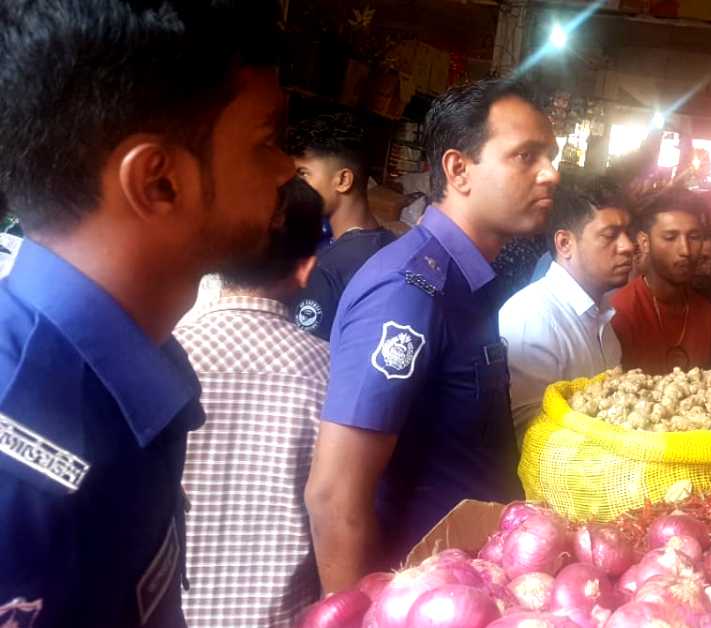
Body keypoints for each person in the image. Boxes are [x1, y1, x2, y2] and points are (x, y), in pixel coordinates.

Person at [0, 1, 292, 625]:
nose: (287, 167)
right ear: (160, 182)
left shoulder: (137, 354)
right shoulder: (19, 460)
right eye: (266, 142)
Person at [305, 78, 560, 592]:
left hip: (472, 583)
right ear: (458, 169)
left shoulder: (470, 278)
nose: (551, 174)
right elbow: (334, 494)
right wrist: (359, 613)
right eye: (525, 156)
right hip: (419, 592)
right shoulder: (410, 290)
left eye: (551, 156)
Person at [175, 178, 326, 628]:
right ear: (306, 268)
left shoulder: (166, 355)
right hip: (282, 616)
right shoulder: (330, 370)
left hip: (170, 611)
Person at [500, 183, 634, 434]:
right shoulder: (532, 316)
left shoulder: (602, 316)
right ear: (564, 243)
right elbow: (532, 436)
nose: (628, 246)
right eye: (610, 235)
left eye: (628, 232)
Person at [288, 113, 397, 340]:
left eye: (303, 174)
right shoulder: (395, 246)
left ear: (343, 180)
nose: (293, 187)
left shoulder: (325, 270)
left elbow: (306, 356)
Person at [611, 190, 711, 373]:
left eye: (694, 237)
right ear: (644, 242)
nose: (685, 250)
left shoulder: (707, 315)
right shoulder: (620, 314)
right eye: (670, 237)